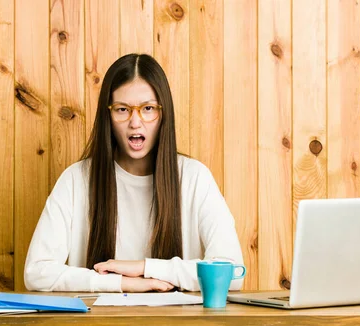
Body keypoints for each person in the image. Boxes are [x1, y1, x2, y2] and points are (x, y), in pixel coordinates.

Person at [24, 53, 244, 293]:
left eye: (148, 108)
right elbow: (36, 272)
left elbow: (233, 274)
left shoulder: (195, 178)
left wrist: (145, 268)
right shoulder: (76, 179)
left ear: (163, 114)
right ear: (108, 115)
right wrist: (121, 282)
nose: (135, 122)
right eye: (122, 109)